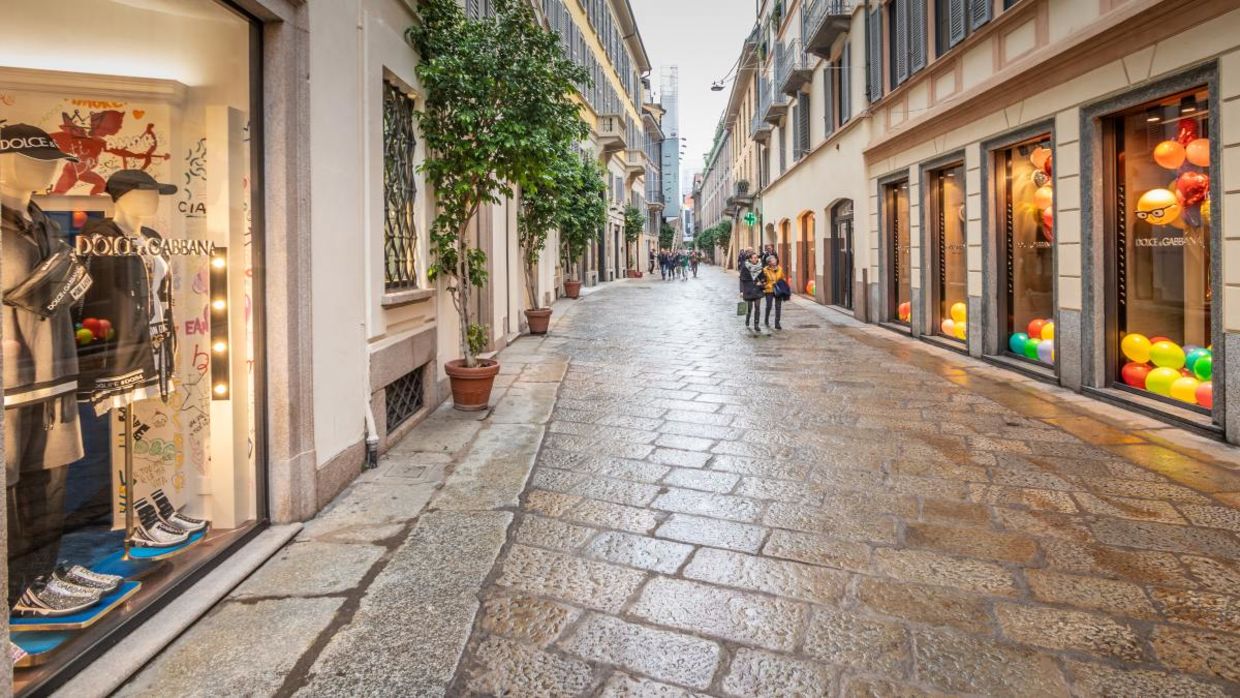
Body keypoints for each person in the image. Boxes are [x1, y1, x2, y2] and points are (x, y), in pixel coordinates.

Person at [739, 252, 765, 332]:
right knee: (749, 308)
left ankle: (756, 325)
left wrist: (761, 282)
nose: (756, 259)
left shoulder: (760, 266)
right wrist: (741, 291)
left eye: (756, 257)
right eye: (754, 258)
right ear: (750, 259)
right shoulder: (745, 267)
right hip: (748, 289)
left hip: (757, 289)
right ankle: (747, 319)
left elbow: (763, 277)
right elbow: (741, 280)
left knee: (757, 307)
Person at [762, 254, 787, 330]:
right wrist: (765, 285)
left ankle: (777, 323)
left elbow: (783, 277)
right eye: (773, 260)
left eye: (775, 259)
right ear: (769, 262)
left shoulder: (780, 268)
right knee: (769, 305)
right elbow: (763, 280)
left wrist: (783, 285)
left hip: (778, 289)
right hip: (769, 290)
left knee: (778, 306)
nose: (775, 260)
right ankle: (766, 319)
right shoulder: (765, 270)